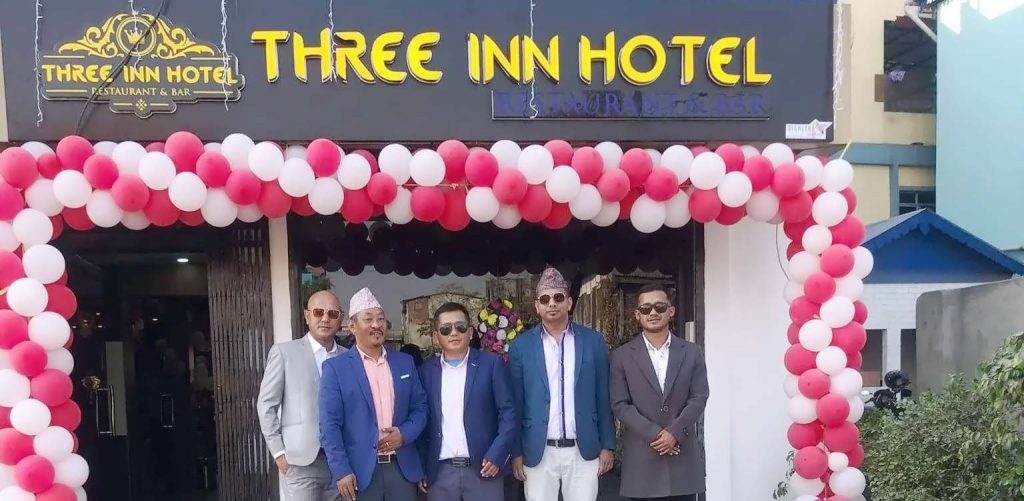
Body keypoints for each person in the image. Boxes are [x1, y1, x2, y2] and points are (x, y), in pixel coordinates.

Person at [508, 267, 616, 501]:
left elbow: (602, 396)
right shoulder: (521, 347)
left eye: (558, 298)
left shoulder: (593, 342)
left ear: (569, 302)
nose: (552, 304)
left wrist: (607, 445)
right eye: (545, 299)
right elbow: (516, 402)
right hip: (538, 450)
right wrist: (516, 451)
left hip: (583, 449)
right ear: (537, 306)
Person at [319, 287, 428, 501]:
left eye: (381, 319)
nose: (376, 325)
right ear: (352, 326)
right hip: (359, 472)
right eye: (368, 319)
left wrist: (404, 434)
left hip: (401, 468)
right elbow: (329, 425)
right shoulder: (336, 368)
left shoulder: (404, 362)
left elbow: (421, 408)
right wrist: (341, 470)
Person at [610, 284, 709, 501]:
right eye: (645, 309)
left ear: (671, 311)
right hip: (642, 464)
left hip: (682, 462)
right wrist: (656, 435)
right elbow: (620, 404)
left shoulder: (692, 352)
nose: (653, 313)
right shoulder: (621, 356)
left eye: (659, 307)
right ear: (637, 315)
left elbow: (699, 397)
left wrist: (674, 432)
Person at [418, 302, 517, 501]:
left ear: (470, 332)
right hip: (440, 472)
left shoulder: (491, 365)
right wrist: (421, 466)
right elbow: (421, 421)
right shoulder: (425, 372)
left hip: (484, 468)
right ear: (436, 337)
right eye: (446, 329)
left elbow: (508, 413)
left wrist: (497, 454)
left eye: (460, 327)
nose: (454, 333)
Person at [257, 290, 347, 501]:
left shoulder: (348, 357)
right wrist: (278, 452)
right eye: (318, 312)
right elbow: (266, 405)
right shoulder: (284, 353)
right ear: (307, 316)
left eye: (332, 313)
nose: (325, 318)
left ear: (340, 319)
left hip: (340, 462)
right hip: (300, 462)